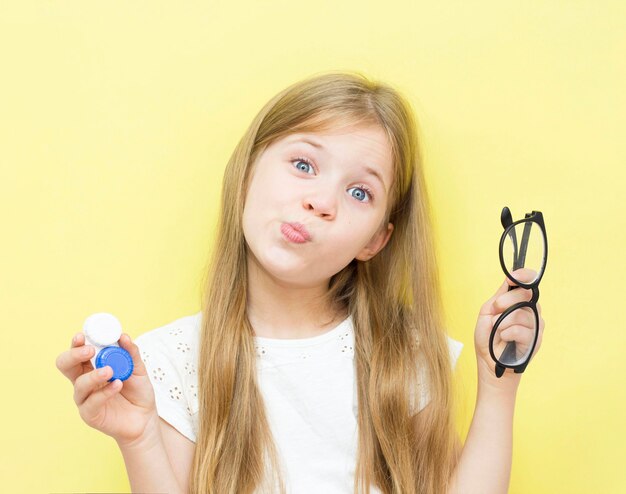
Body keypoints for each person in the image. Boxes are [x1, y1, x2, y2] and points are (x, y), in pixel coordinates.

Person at [56, 71, 545, 494]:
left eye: (358, 191)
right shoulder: (171, 360)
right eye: (304, 165)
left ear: (375, 240)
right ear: (247, 170)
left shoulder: (403, 352)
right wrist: (138, 439)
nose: (321, 201)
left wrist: (499, 383)